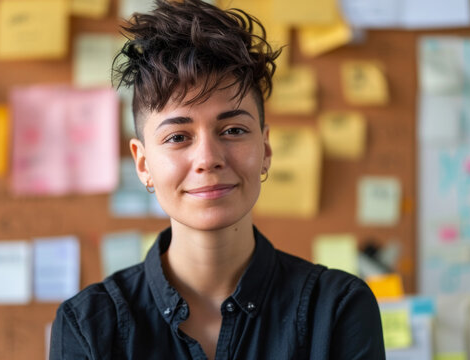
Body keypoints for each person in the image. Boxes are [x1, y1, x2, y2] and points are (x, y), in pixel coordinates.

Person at [50, 0, 385, 358]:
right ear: (143, 163)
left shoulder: (335, 309)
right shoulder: (88, 325)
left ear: (266, 149)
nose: (208, 159)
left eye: (234, 130)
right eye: (178, 137)